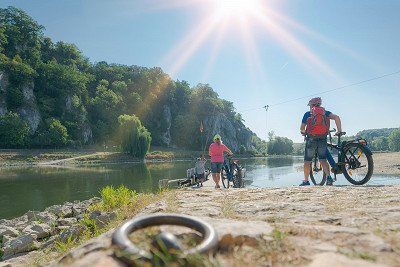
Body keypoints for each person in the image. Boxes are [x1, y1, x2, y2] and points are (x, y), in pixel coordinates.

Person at [300, 97, 342, 186]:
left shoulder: (308, 114)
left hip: (311, 139)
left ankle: (306, 181)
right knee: (323, 159)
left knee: (307, 161)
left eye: (310, 105)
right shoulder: (325, 113)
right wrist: (339, 130)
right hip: (322, 139)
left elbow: (302, 128)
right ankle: (329, 178)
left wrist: (303, 132)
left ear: (312, 105)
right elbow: (336, 117)